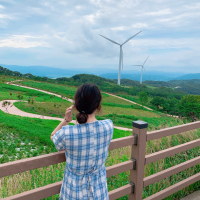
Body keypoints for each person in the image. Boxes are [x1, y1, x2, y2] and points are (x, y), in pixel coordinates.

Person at [51, 83, 113, 200]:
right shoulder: (108, 126)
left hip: (73, 192)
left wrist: (66, 120)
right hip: (99, 191)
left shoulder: (68, 133)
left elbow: (53, 136)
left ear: (76, 105)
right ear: (98, 105)